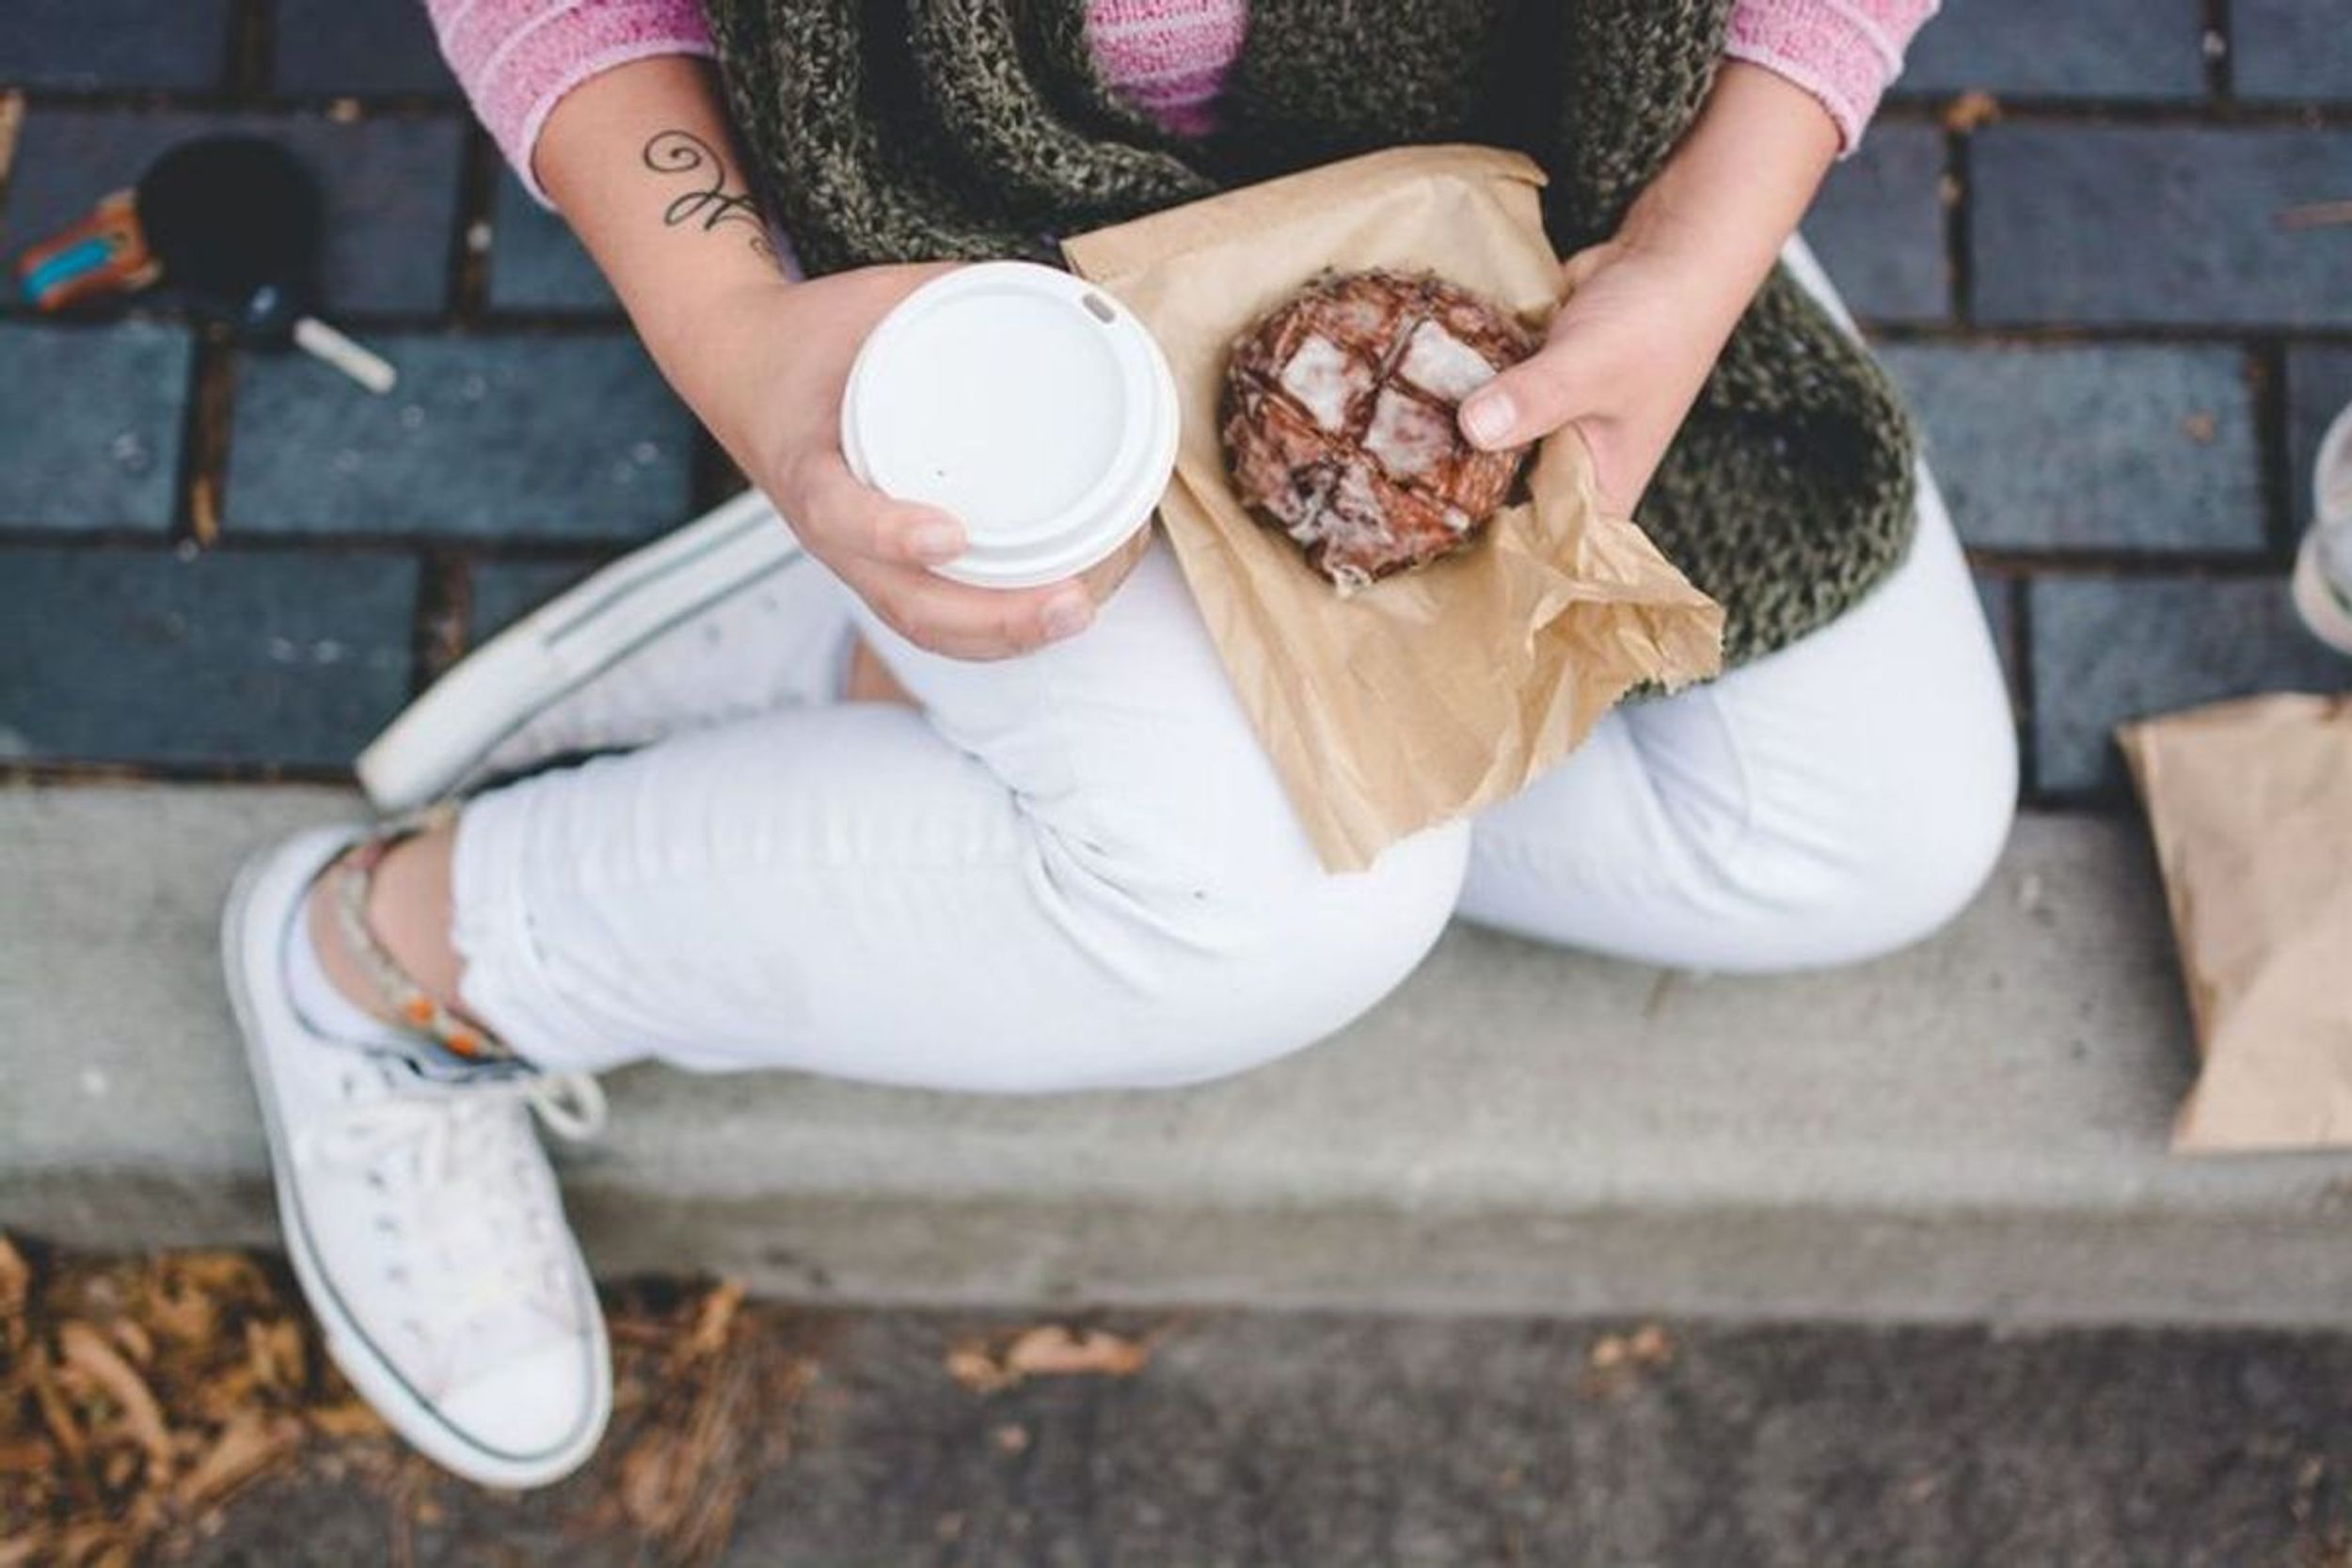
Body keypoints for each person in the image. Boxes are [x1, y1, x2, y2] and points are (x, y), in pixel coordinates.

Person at [221, 0, 2012, 1486]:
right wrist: (738, 342)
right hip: (981, 269)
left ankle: (904, 675)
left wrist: (1703, 246)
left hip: (1523, 174)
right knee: (1290, 909)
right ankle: (393, 967)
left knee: (1874, 836)